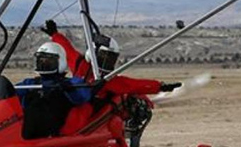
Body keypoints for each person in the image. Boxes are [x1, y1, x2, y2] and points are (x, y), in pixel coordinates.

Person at [41, 20, 181, 96]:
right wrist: (160, 86)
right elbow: (133, 85)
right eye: (104, 57)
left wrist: (55, 34)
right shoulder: (106, 79)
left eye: (110, 59)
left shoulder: (81, 65)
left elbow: (67, 48)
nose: (107, 62)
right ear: (94, 54)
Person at [16, 41, 92, 139]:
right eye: (41, 61)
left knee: (47, 101)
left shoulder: (71, 83)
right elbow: (11, 92)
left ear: (60, 62)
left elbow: (83, 95)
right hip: (23, 130)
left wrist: (66, 87)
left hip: (51, 133)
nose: (43, 64)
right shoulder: (31, 83)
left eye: (47, 61)